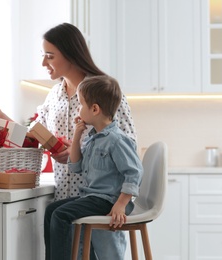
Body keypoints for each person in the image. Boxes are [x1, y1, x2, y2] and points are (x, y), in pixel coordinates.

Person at [0, 23, 137, 259]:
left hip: (103, 200)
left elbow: (127, 141)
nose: (43, 63)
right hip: (66, 195)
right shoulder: (54, 95)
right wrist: (2, 118)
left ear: (71, 54)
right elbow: (35, 134)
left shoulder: (103, 90)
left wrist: (77, 149)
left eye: (50, 56)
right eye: (43, 56)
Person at [44, 75, 143, 260]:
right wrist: (77, 135)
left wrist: (120, 205)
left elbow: (135, 172)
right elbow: (75, 166)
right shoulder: (92, 139)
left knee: (61, 215)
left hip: (107, 199)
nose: (79, 109)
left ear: (95, 109)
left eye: (81, 105)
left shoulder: (116, 140)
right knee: (52, 211)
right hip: (92, 197)